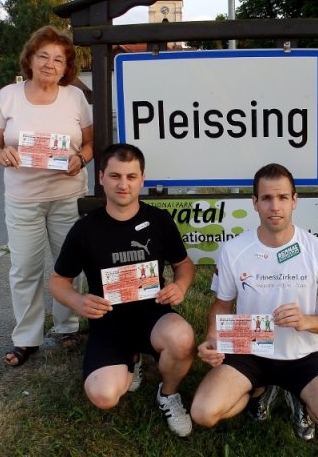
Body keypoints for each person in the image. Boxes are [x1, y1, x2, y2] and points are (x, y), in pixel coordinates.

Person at [191, 163, 318, 441]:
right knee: (203, 413)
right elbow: (222, 304)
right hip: (249, 352)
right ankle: (258, 391)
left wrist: (306, 321)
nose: (275, 206)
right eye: (267, 198)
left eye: (282, 197)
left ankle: (301, 397)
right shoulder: (234, 249)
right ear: (254, 202)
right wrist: (212, 338)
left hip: (302, 357)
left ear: (295, 201)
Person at [49, 144, 197, 437]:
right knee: (103, 396)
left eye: (131, 176)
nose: (123, 184)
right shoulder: (85, 229)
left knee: (182, 339)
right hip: (108, 324)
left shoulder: (159, 220)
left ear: (142, 179)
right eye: (115, 176)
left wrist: (180, 285)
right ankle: (131, 360)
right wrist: (78, 301)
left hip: (154, 316)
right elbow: (57, 281)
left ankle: (168, 394)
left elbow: (184, 264)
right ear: (101, 177)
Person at [0, 25, 93, 366]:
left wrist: (81, 159)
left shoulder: (75, 97)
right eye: (43, 56)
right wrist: (0, 154)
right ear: (29, 59)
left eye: (59, 59)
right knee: (24, 269)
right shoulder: (9, 95)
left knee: (68, 265)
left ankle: (67, 327)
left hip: (68, 195)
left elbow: (91, 142)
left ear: (66, 67)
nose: (50, 64)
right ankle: (26, 338)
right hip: (23, 199)